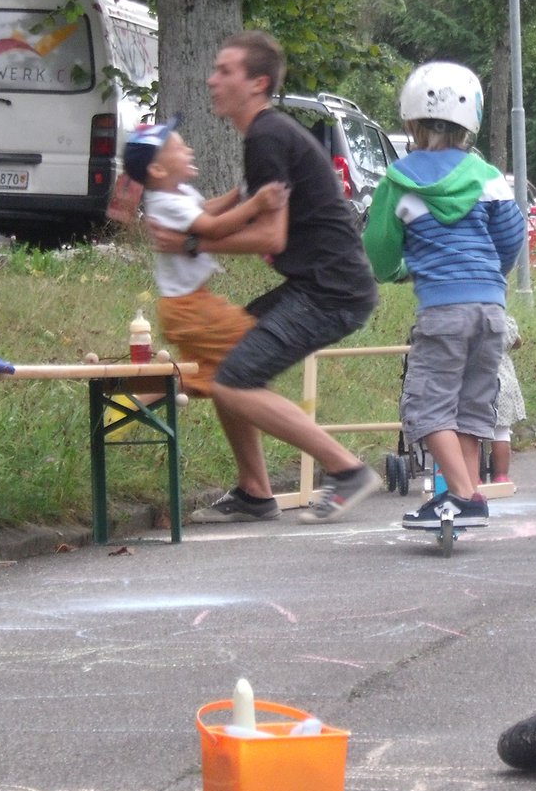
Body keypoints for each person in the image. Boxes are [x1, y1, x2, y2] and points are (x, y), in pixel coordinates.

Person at [149, 31, 382, 523]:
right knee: (224, 364)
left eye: (225, 71)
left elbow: (270, 235)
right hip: (318, 284)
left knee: (233, 380)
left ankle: (347, 470)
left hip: (332, 291)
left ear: (257, 83)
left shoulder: (267, 135)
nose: (213, 80)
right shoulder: (266, 135)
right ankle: (255, 493)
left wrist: (194, 242)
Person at [363, 61, 525, 525]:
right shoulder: (490, 178)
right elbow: (510, 239)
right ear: (470, 122)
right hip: (491, 310)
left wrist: (399, 271)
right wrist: (489, 276)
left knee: (426, 405)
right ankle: (466, 494)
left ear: (410, 122)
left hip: (443, 311)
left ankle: (462, 494)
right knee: (473, 406)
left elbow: (379, 250)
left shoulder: (400, 181)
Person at [123, 116, 288, 523]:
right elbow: (211, 226)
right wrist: (257, 204)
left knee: (228, 374)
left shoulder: (177, 194)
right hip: (190, 308)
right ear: (158, 169)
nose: (189, 150)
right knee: (250, 349)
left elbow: (207, 210)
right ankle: (156, 389)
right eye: (178, 148)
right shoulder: (165, 202)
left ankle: (149, 393)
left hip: (191, 304)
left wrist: (238, 193)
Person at [492, 314, 526, 482]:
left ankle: (473, 478)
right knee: (501, 432)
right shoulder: (504, 322)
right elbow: (517, 342)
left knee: (472, 433)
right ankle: (501, 477)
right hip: (501, 383)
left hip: (472, 381)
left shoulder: (464, 319)